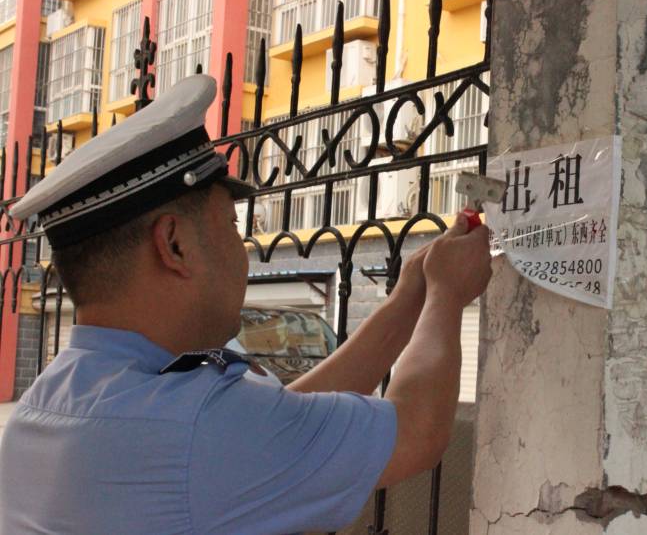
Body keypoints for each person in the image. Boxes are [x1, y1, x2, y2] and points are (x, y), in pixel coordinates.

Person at [0, 76, 492, 534]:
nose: (243, 251)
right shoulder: (195, 430)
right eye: (233, 229)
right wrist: (447, 296)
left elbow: (286, 421)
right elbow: (415, 432)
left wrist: (410, 297)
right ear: (174, 245)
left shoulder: (43, 406)